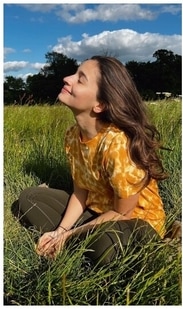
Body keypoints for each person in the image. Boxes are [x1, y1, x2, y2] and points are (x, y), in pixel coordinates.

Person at [14, 56, 169, 266]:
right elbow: (80, 192)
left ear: (99, 105)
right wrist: (61, 231)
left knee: (106, 244)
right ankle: (76, 245)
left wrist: (68, 235)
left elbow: (123, 212)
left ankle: (77, 247)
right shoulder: (72, 136)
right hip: (96, 214)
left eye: (80, 79)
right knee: (29, 197)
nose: (67, 78)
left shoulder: (118, 143)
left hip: (134, 223)